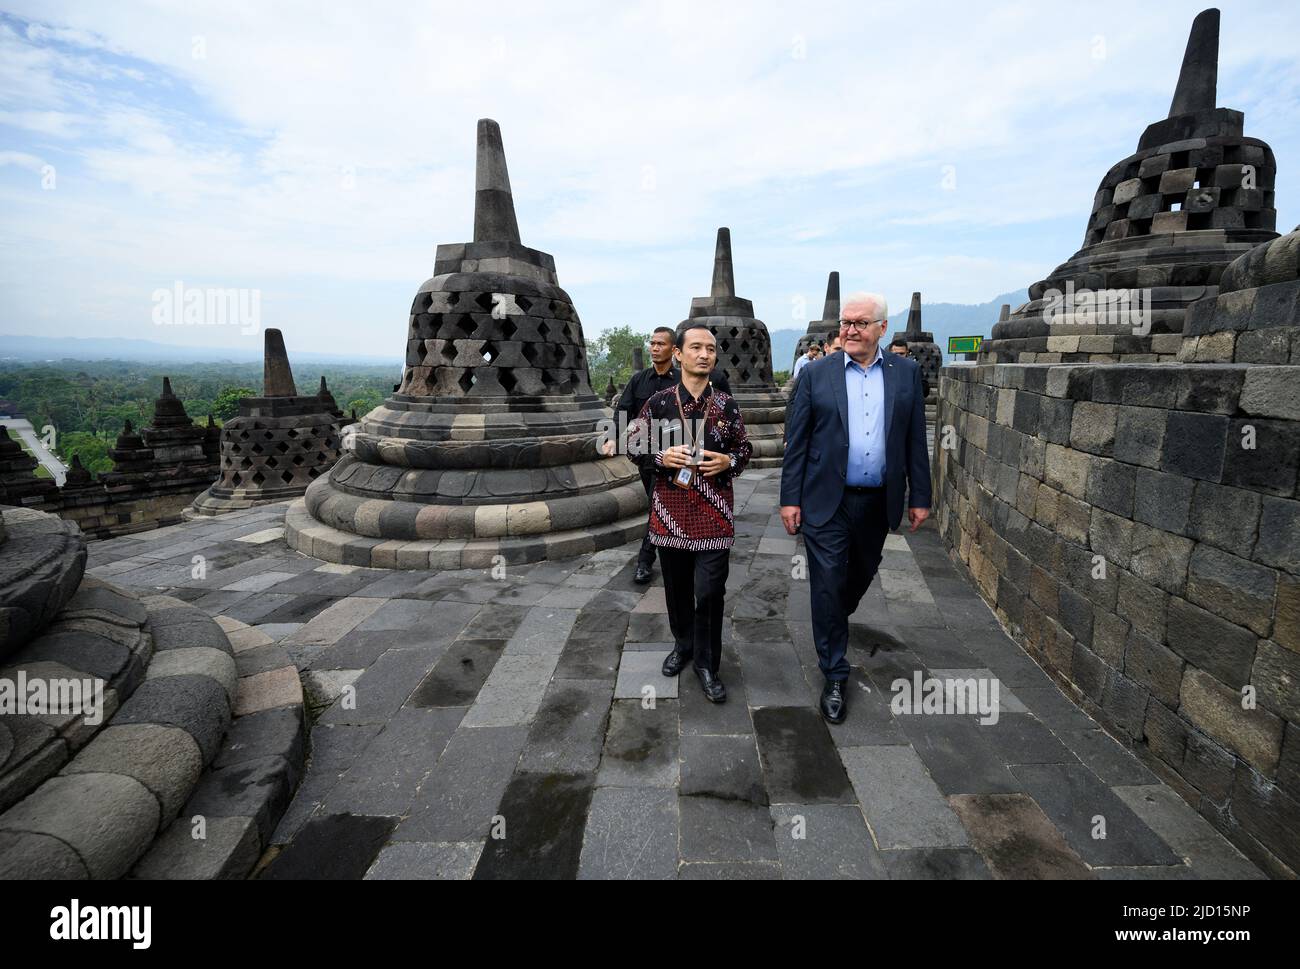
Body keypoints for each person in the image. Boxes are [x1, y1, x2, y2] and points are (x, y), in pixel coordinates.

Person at [779, 291, 931, 724]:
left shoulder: (906, 374)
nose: (849, 329)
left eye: (860, 323)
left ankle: (832, 619)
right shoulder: (817, 374)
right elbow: (798, 441)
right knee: (826, 582)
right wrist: (790, 498)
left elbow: (914, 440)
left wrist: (919, 495)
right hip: (826, 499)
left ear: (882, 328)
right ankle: (834, 672)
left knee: (859, 574)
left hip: (877, 500)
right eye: (845, 322)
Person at [631, 323, 752, 703]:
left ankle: (707, 663)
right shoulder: (661, 403)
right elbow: (632, 443)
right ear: (679, 354)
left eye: (711, 349)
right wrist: (659, 456)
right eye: (696, 347)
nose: (704, 354)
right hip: (670, 514)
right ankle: (683, 644)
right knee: (677, 590)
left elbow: (745, 450)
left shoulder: (726, 405)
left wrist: (728, 461)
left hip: (715, 517)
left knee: (710, 592)